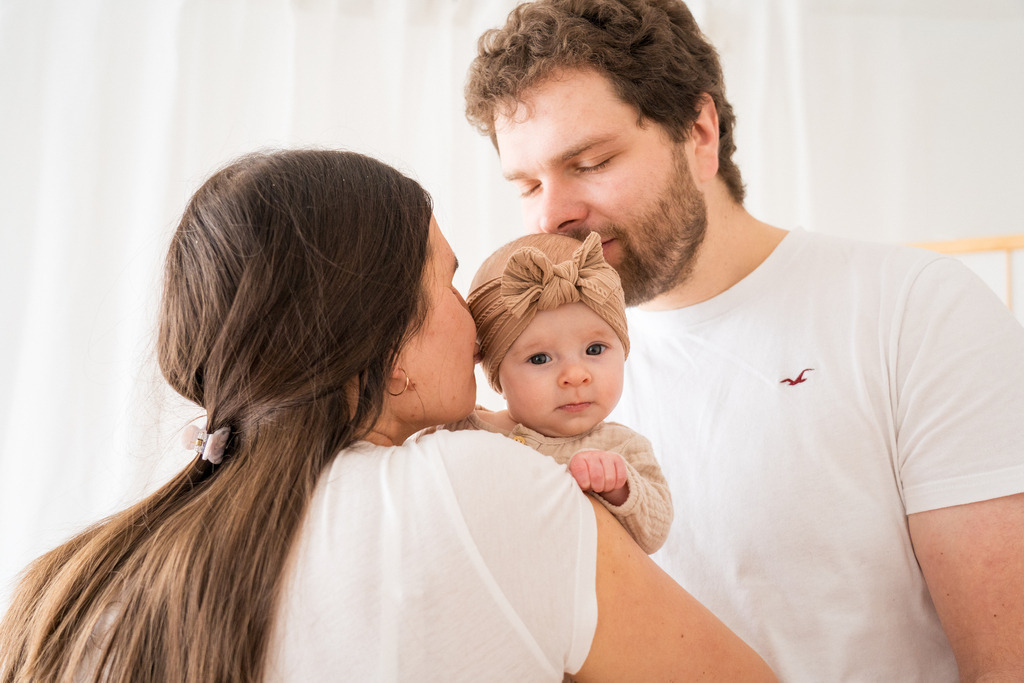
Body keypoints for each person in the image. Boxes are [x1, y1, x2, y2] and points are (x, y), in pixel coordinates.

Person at [0, 149, 775, 681]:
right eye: (448, 281)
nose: (475, 319)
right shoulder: (469, 489)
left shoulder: (73, 585)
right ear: (391, 350)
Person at [463, 1, 1024, 680]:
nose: (551, 213)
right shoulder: (535, 377)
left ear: (700, 132)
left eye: (588, 162)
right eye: (526, 184)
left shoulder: (915, 310)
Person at [444, 231, 672, 554]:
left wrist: (620, 488)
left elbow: (656, 530)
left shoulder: (622, 449)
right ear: (493, 369)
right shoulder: (464, 429)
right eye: (540, 359)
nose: (575, 376)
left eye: (595, 349)